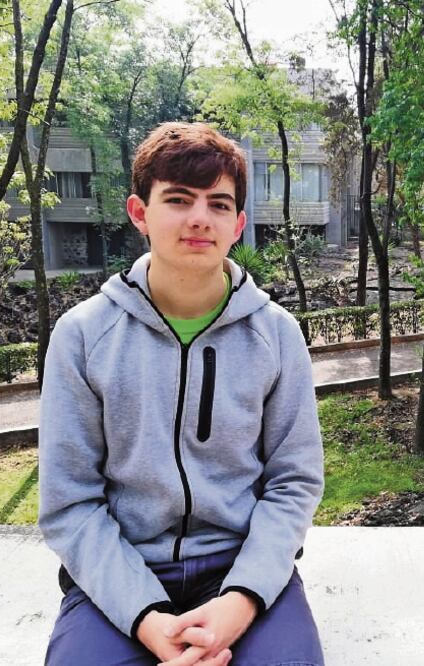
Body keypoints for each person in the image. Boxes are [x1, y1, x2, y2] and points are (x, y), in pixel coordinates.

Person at [39, 122, 326, 666]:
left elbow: (294, 483)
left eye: (218, 204)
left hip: (242, 567)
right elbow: (70, 501)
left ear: (238, 224)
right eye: (178, 199)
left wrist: (239, 602)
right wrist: (147, 621)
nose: (199, 218)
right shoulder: (83, 335)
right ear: (139, 212)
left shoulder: (277, 335)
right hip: (121, 571)